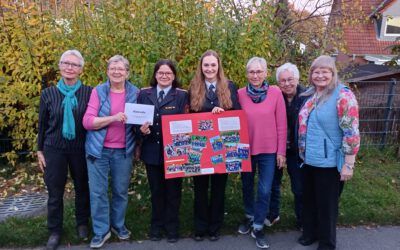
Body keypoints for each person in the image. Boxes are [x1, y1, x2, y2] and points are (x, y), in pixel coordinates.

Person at [297, 55, 360, 250]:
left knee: (326, 206)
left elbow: (351, 132)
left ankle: (327, 243)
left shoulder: (343, 95)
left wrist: (349, 164)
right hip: (308, 160)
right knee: (309, 201)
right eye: (316, 71)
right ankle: (311, 233)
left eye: (325, 71)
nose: (320, 75)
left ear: (333, 74)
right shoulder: (310, 94)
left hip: (330, 163)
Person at [83, 55, 139, 249]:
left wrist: (144, 126)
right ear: (107, 71)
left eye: (121, 69)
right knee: (98, 192)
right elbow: (88, 122)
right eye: (113, 68)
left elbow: (138, 122)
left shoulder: (135, 92)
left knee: (120, 191)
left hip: (123, 151)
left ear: (127, 73)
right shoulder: (98, 91)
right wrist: (113, 117)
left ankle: (118, 225)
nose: (117, 72)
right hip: (98, 151)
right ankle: (101, 231)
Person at [37, 49, 92, 250]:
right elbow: (42, 124)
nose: (70, 67)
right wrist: (39, 150)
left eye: (75, 64)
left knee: (82, 187)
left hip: (80, 148)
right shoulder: (48, 93)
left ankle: (82, 223)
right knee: (55, 191)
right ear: (59, 66)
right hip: (54, 149)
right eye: (66, 63)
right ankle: (55, 230)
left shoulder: (89, 92)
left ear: (81, 70)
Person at [189, 50, 241, 241]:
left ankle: (215, 227)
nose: (209, 68)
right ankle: (200, 227)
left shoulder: (230, 86)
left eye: (213, 65)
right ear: (201, 67)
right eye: (206, 65)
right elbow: (188, 116)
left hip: (222, 147)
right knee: (200, 189)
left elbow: (237, 115)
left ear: (218, 66)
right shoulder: (194, 87)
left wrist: (224, 113)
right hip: (200, 147)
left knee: (219, 189)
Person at [137, 59, 189, 243]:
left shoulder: (182, 95)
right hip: (152, 151)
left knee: (174, 193)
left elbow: (188, 124)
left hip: (174, 152)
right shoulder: (144, 94)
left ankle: (172, 227)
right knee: (156, 191)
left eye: (168, 73)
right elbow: (136, 123)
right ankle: (156, 226)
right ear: (155, 75)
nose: (164, 76)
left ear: (174, 76)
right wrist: (140, 131)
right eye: (161, 73)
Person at [237, 57, 287, 249]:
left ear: (266, 73)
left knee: (265, 189)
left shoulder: (275, 93)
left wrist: (281, 151)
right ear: (247, 74)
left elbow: (282, 125)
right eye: (252, 72)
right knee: (247, 185)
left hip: (268, 150)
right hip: (245, 149)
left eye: (259, 71)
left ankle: (258, 226)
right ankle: (250, 216)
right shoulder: (240, 94)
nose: (255, 75)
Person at [266, 63, 307, 230]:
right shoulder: (274, 96)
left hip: (298, 151)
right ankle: (273, 214)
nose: (287, 84)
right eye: (282, 81)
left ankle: (303, 220)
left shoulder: (307, 97)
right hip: (277, 148)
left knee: (299, 187)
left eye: (290, 79)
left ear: (297, 79)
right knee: (272, 183)